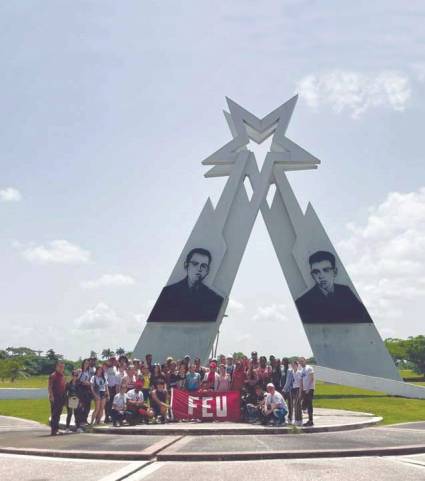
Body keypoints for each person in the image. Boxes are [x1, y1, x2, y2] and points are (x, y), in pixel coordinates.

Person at [147, 247, 224, 322]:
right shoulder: (167, 293)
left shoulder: (214, 299)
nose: (199, 269)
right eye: (195, 264)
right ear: (186, 265)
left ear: (207, 271)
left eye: (203, 266)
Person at [295, 250, 373, 324]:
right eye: (316, 272)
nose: (321, 276)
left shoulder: (346, 291)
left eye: (326, 270)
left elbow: (365, 319)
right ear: (312, 275)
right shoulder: (303, 302)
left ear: (335, 272)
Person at [48, 361, 66, 436]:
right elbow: (50, 386)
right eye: (60, 367)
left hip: (61, 396)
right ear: (56, 367)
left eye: (63, 367)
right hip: (55, 397)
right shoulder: (53, 375)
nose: (61, 368)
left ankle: (56, 429)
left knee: (58, 413)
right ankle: (54, 430)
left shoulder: (62, 375)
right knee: (55, 414)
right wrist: (51, 396)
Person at [299, 357, 315, 426]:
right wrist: (301, 390)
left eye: (302, 361)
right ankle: (308, 417)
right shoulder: (302, 370)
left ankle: (310, 420)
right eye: (300, 362)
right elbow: (302, 381)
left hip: (310, 389)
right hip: (304, 390)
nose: (301, 363)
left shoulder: (309, 368)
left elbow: (312, 378)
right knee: (303, 405)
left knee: (309, 405)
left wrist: (308, 388)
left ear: (305, 361)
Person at [77, 359, 92, 425]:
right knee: (80, 405)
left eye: (88, 363)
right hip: (81, 389)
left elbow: (89, 380)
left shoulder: (88, 372)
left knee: (87, 405)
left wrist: (88, 383)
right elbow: (76, 380)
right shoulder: (80, 371)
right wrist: (83, 382)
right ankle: (80, 420)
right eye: (85, 363)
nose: (87, 365)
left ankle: (85, 419)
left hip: (87, 390)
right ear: (83, 363)